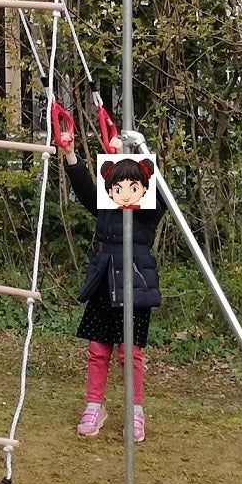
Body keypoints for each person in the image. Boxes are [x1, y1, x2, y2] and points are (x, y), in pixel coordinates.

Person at [58, 125, 164, 441]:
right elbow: (86, 190)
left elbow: (159, 195)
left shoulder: (148, 209)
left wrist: (130, 155)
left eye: (133, 185)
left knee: (129, 352)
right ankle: (94, 405)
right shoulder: (105, 205)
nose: (125, 191)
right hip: (105, 281)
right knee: (98, 347)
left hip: (136, 282)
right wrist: (69, 154)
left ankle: (135, 412)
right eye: (118, 185)